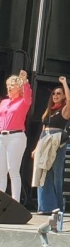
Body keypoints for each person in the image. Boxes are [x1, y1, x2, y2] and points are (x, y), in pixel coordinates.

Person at [34, 76, 70, 214]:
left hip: (57, 141)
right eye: (54, 93)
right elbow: (42, 130)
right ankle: (45, 206)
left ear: (63, 96)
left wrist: (64, 83)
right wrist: (36, 147)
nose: (56, 95)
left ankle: (57, 206)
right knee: (42, 172)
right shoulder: (49, 111)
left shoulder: (64, 110)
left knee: (56, 173)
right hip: (45, 139)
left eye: (59, 93)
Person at [0, 70, 31, 202]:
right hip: (2, 136)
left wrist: (24, 81)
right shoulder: (4, 102)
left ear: (18, 87)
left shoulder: (23, 101)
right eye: (8, 85)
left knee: (13, 170)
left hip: (16, 136)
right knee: (1, 172)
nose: (9, 87)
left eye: (12, 85)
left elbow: (28, 95)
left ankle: (15, 202)